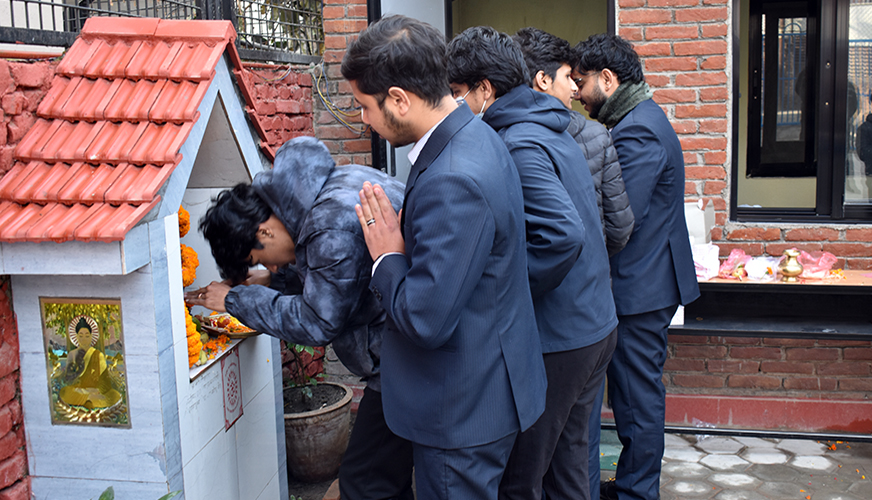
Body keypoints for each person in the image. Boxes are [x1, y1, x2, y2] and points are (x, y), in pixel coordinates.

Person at [342, 15, 547, 500]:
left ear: (398, 99)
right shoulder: (473, 134)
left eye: (364, 106)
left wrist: (387, 257)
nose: (363, 120)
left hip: (463, 411)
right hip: (488, 383)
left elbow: (426, 319)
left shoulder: (454, 176)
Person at [184, 136, 414, 500]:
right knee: (381, 477)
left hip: (407, 364)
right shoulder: (324, 192)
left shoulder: (328, 226)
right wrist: (274, 278)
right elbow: (340, 276)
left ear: (264, 231)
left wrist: (236, 299)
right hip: (407, 354)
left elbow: (317, 322)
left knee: (366, 483)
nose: (271, 265)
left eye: (261, 260)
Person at [446, 26, 618, 500]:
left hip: (562, 336)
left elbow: (562, 235)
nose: (452, 104)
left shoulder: (519, 142)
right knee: (569, 467)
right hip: (593, 323)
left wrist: (512, 292)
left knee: (524, 476)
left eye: (458, 93)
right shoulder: (547, 125)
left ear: (485, 89)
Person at [572, 34, 700, 500]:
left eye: (581, 81)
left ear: (608, 79)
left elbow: (620, 217)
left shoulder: (638, 129)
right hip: (641, 284)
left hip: (640, 290)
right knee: (632, 397)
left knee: (637, 401)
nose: (577, 93)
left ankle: (637, 493)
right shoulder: (635, 120)